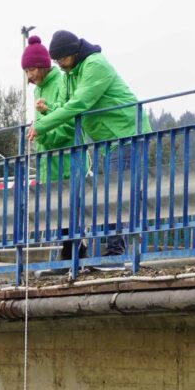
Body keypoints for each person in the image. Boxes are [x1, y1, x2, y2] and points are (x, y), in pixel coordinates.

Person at [29, 29, 140, 256]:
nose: (59, 64)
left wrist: (41, 125)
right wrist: (49, 110)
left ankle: (116, 252)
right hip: (107, 141)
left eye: (62, 58)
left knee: (115, 193)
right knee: (108, 193)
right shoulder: (71, 73)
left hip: (126, 133)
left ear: (74, 52)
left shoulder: (95, 65)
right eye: (56, 60)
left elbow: (79, 104)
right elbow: (65, 106)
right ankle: (111, 251)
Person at [20, 35, 79, 261]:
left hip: (67, 159)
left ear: (44, 65)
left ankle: (72, 258)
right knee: (57, 214)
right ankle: (67, 259)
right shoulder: (37, 90)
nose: (30, 75)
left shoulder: (61, 82)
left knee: (70, 211)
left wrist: (42, 136)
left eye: (32, 69)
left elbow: (68, 125)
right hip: (48, 162)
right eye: (26, 71)